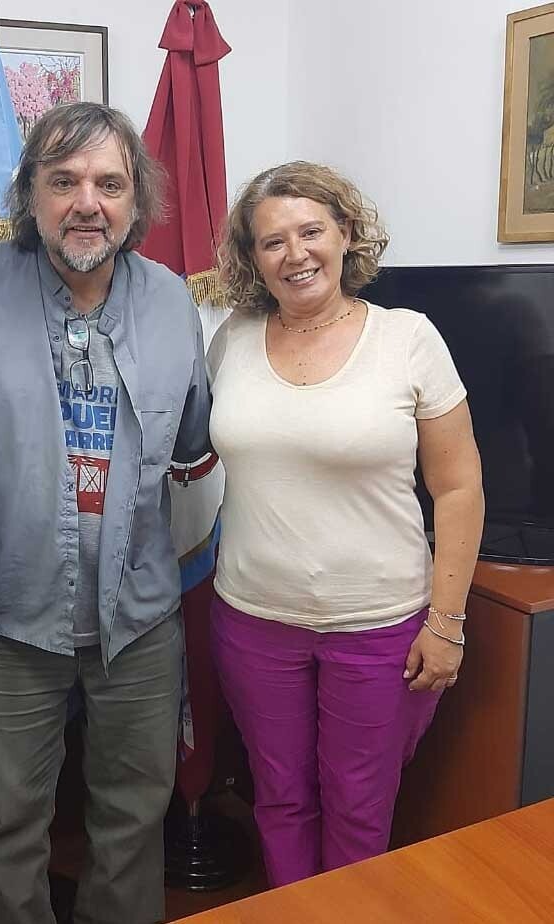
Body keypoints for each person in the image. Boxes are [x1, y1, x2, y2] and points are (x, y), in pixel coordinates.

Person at [0, 102, 211, 924]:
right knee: (9, 824)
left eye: (110, 184)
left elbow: (194, 432)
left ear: (135, 200)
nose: (88, 202)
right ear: (31, 194)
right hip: (8, 616)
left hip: (139, 619)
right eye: (64, 181)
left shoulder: (173, 301)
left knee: (131, 816)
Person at [207, 161, 484, 887]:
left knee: (361, 810)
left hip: (380, 628)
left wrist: (447, 622)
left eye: (310, 232)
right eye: (272, 242)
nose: (294, 254)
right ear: (251, 258)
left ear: (346, 234)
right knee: (280, 801)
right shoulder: (232, 339)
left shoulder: (408, 339)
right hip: (253, 620)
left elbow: (458, 487)